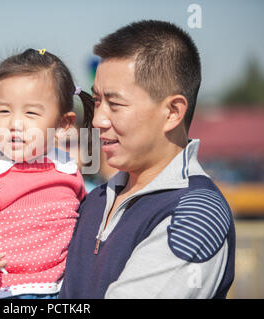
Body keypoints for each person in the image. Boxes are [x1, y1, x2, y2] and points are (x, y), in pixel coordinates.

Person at [60, 20, 235, 299]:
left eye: (115, 104)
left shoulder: (196, 213)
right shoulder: (94, 199)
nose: (98, 120)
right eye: (96, 101)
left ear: (172, 112)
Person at [0, 48, 93, 299]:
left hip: (61, 289)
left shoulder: (66, 169)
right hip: (0, 292)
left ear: (63, 124)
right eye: (3, 111)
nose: (15, 123)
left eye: (31, 113)